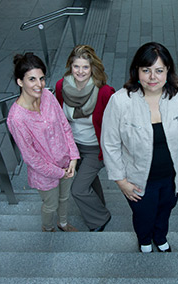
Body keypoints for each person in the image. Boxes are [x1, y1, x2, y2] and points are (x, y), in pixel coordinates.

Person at [101, 42, 178, 253]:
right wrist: (121, 181)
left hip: (174, 176)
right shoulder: (120, 101)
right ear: (136, 71)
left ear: (168, 71)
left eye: (159, 70)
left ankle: (160, 236)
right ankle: (145, 239)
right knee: (143, 214)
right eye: (146, 70)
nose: (152, 77)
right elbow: (110, 144)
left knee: (165, 210)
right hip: (138, 181)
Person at [7, 53, 80, 232]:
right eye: (32, 79)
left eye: (41, 78)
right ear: (20, 82)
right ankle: (47, 228)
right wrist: (58, 172)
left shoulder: (47, 95)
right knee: (51, 205)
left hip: (66, 163)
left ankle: (62, 223)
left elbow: (64, 125)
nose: (39, 85)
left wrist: (73, 157)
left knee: (65, 198)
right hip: (45, 174)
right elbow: (31, 158)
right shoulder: (17, 119)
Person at [55, 45, 115, 232]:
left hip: (95, 148)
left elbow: (114, 124)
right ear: (70, 67)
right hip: (73, 147)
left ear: (92, 68)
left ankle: (100, 218)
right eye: (76, 66)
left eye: (85, 67)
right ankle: (99, 206)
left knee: (78, 189)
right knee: (87, 180)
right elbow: (59, 117)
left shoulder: (104, 92)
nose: (80, 72)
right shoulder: (61, 87)